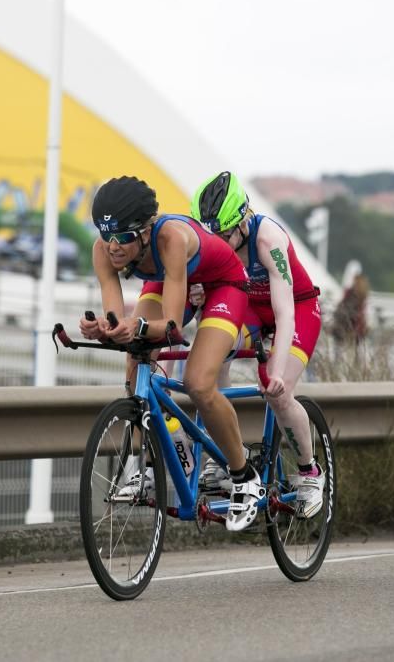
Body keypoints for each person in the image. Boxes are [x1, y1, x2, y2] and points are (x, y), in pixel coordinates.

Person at [79, 175, 262, 532]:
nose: (113, 247)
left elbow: (173, 326)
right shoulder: (103, 250)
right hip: (171, 279)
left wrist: (138, 327)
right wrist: (106, 328)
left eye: (123, 238)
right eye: (107, 236)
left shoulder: (171, 238)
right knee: (135, 358)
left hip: (223, 284)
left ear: (146, 232)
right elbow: (120, 321)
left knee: (197, 383)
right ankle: (157, 455)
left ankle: (244, 475)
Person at [190, 171, 325, 519]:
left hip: (296, 308)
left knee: (276, 391)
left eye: (224, 235)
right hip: (251, 308)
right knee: (213, 356)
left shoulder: (268, 240)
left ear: (243, 221)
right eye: (212, 236)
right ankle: (224, 459)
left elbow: (284, 313)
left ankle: (310, 472)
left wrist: (277, 371)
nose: (218, 243)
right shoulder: (218, 243)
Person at [331, 273, 370, 347]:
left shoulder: (351, 292)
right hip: (356, 326)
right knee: (353, 350)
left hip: (346, 324)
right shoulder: (363, 295)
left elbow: (343, 305)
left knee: (339, 348)